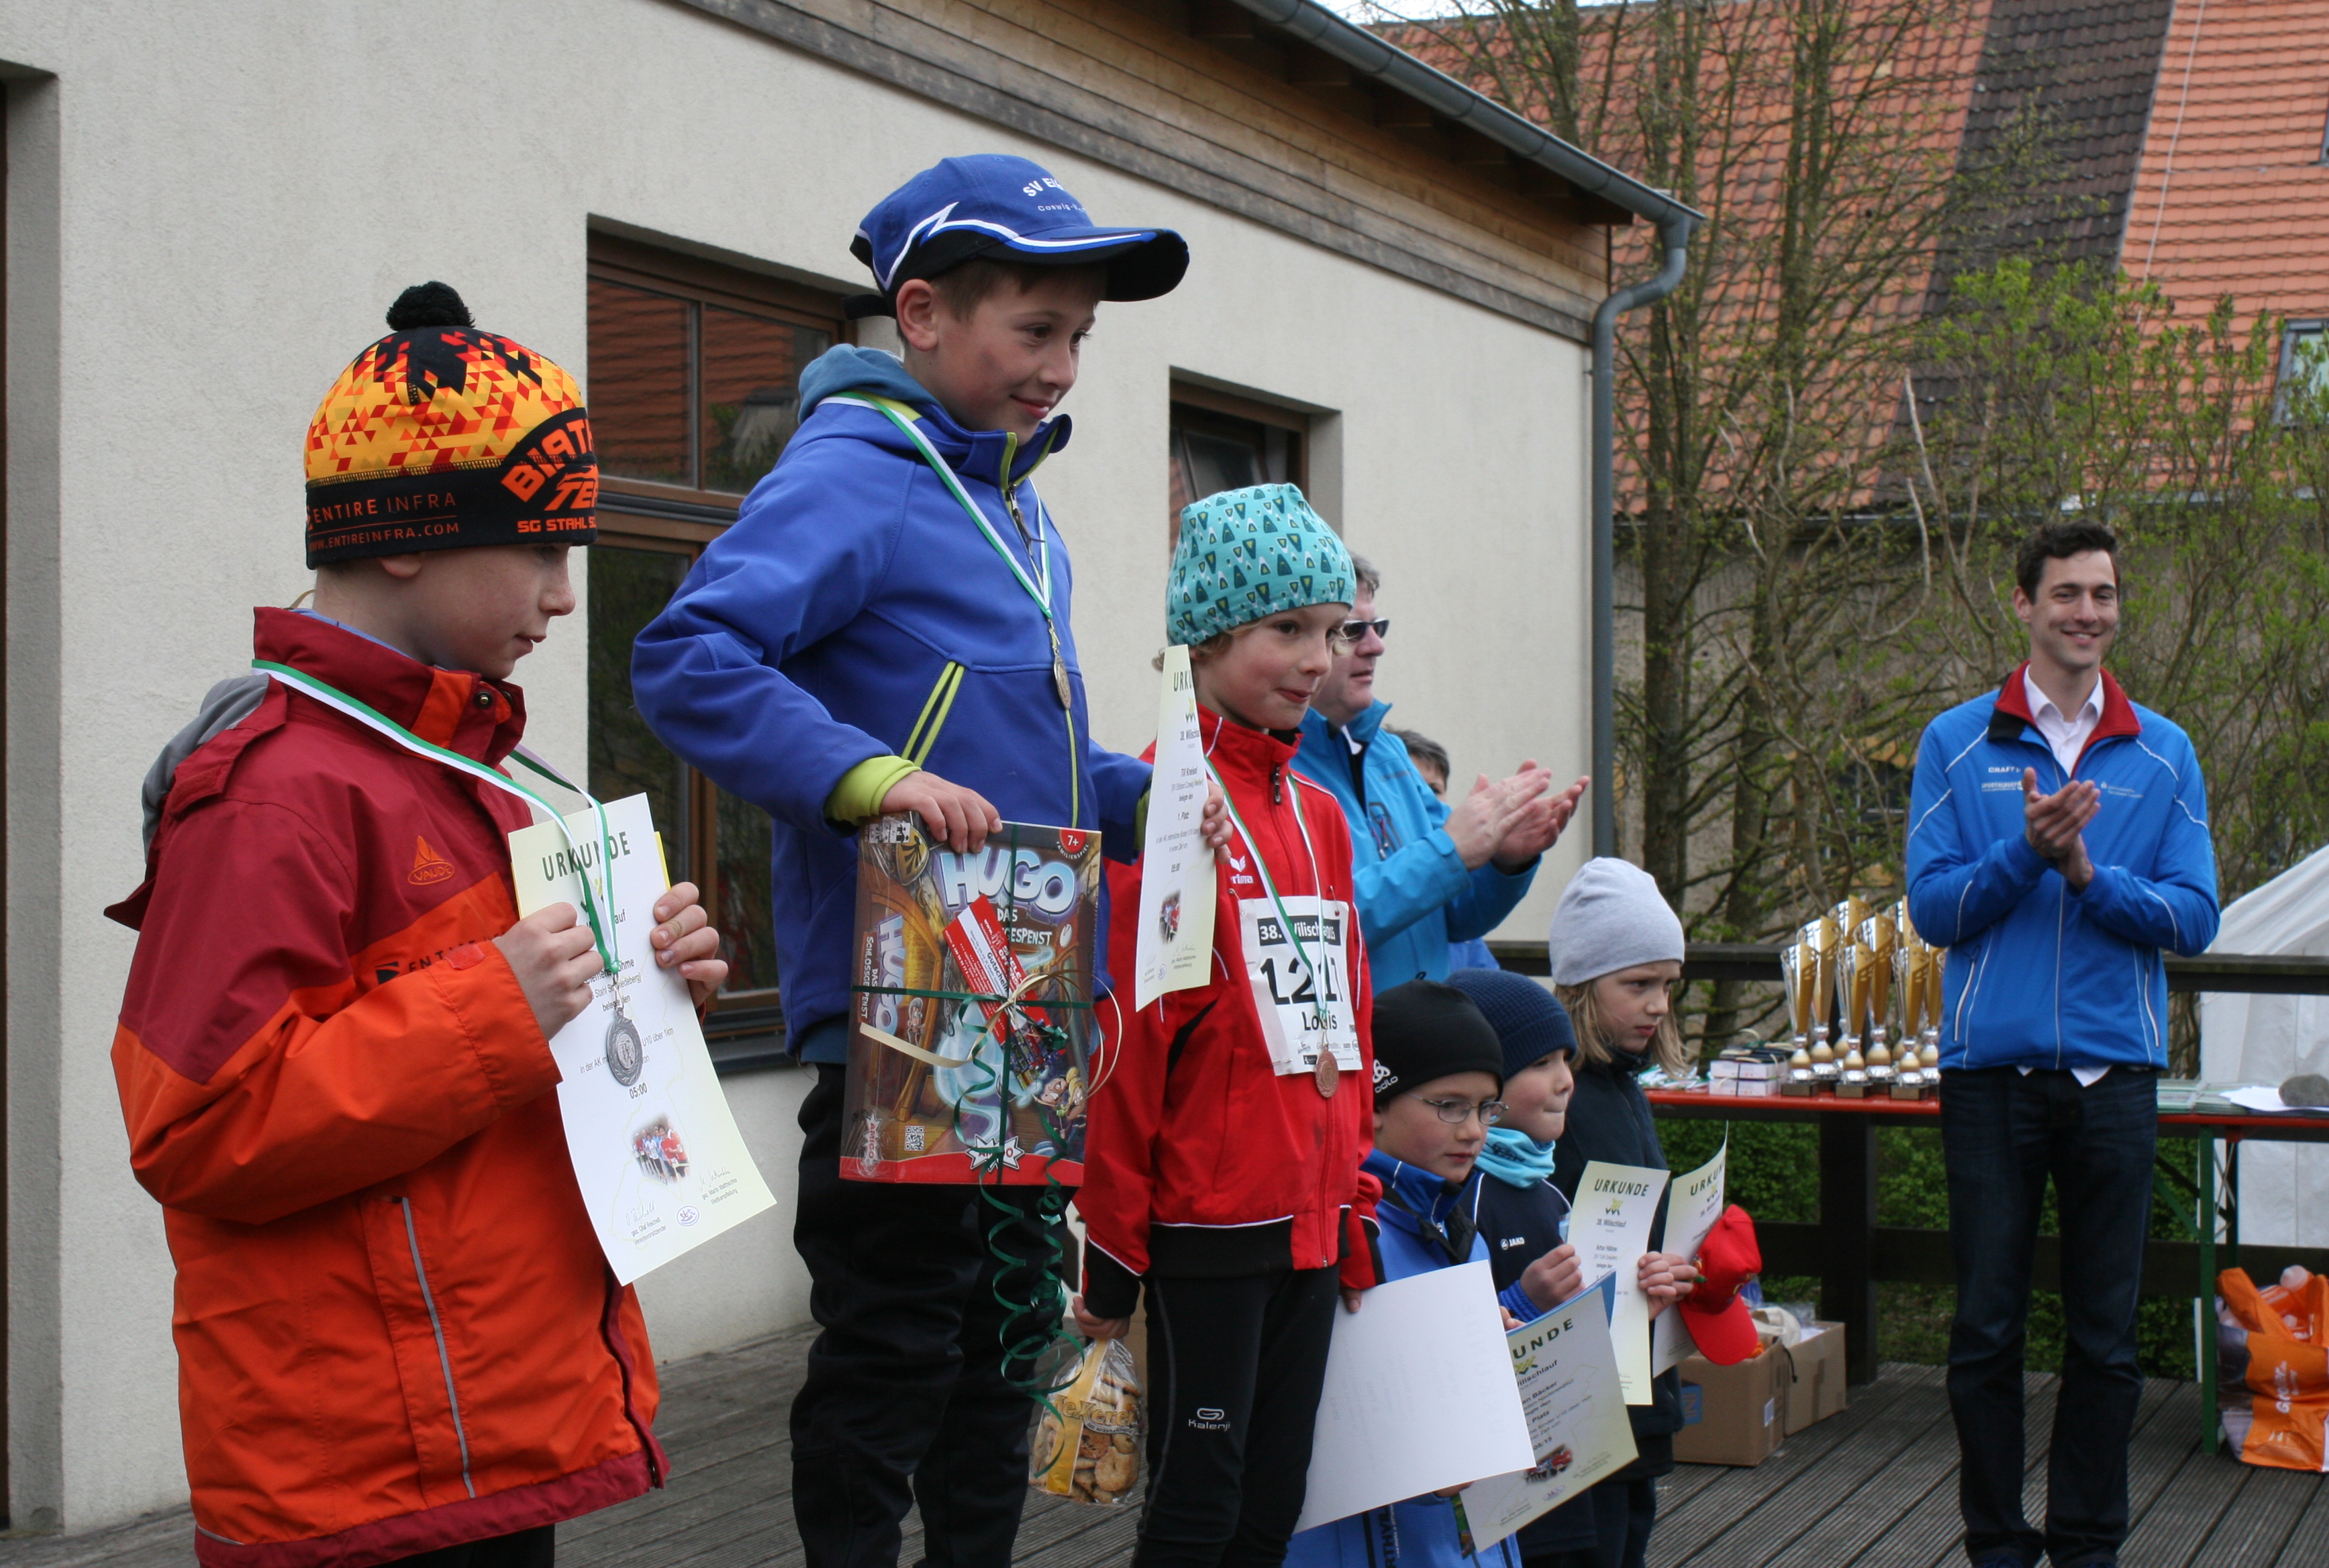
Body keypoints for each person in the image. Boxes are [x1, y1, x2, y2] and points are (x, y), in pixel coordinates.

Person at [630, 154, 1200, 1568]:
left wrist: (1156, 800)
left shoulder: (1018, 505)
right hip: (903, 1017)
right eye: (1034, 330)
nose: (1060, 367)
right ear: (925, 313)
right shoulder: (859, 472)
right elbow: (688, 657)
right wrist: (871, 780)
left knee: (1002, 1347)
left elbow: (1011, 760)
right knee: (894, 1351)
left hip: (1022, 1006)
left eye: (1079, 338)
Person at [107, 284, 728, 1568]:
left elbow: (513, 1063)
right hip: (356, 1477)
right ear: (407, 536)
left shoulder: (476, 771)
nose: (565, 597)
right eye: (543, 550)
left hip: (482, 1432)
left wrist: (650, 982)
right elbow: (198, 1126)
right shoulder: (272, 791)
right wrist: (502, 1001)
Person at [1905, 520, 2218, 1568]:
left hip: (2115, 1078)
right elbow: (1934, 910)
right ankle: (1998, 1545)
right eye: (2068, 594)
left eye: (2105, 595)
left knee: (2106, 1338)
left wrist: (2087, 876)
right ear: (2025, 605)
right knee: (1986, 1332)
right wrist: (2026, 856)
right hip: (1990, 1080)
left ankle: (2087, 1546)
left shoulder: (2165, 752)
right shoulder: (1956, 742)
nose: (2089, 613)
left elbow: (2195, 919)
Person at [1077, 483, 1379, 1568]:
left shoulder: (1321, 815)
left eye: (1330, 631)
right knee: (1196, 1504)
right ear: (1204, 639)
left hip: (1311, 1215)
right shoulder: (1163, 806)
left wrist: (1351, 1191)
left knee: (1273, 1500)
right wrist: (1111, 1252)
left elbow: (1347, 1019)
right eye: (1285, 629)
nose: (1315, 659)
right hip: (1208, 1224)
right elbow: (1126, 1046)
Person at [1285, 981, 1525, 1568]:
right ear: (1373, 1105)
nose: (1474, 1130)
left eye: (1487, 1108)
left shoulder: (1459, 1230)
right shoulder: (1338, 1234)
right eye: (1449, 1106)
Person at [1294, 555, 1583, 993]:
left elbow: (1458, 913)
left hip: (1425, 1034)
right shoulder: (1276, 767)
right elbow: (1314, 928)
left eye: (1378, 627)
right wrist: (1450, 851)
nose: (1376, 646)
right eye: (1353, 631)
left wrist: (1505, 860)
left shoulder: (1389, 754)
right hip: (1352, 1034)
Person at [1546, 859, 1700, 1568]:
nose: (1659, 1004)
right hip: (1590, 1392)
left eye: (1668, 984)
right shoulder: (1564, 1099)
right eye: (1638, 984)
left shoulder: (1622, 1085)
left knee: (1630, 1534)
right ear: (1582, 985)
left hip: (1641, 1372)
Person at [1448, 966, 1597, 1565]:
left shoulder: (1550, 1190)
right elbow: (1450, 1343)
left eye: (1566, 1060)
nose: (1564, 1080)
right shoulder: (1462, 1197)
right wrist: (1523, 1301)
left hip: (1567, 1465)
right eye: (1540, 1063)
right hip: (1496, 1491)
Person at [1394, 728, 1501, 975]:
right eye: (1411, 789)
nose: (1424, 801)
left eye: (1434, 790)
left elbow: (1487, 982)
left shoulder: (1454, 890)